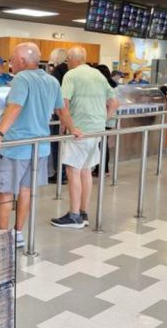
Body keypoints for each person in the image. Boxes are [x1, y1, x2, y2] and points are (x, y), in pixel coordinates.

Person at [0, 42, 81, 248]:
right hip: (40, 147)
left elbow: (15, 106)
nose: (10, 63)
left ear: (22, 60)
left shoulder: (21, 78)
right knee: (25, 190)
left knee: (5, 192)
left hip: (16, 146)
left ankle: (2, 237)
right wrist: (73, 129)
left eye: (12, 59)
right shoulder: (51, 81)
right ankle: (18, 233)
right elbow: (62, 111)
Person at [50, 47, 117, 229]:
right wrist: (103, 120)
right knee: (86, 171)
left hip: (78, 131)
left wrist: (70, 127)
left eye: (67, 60)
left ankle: (73, 216)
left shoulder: (71, 76)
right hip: (96, 132)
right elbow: (114, 102)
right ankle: (83, 212)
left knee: (73, 172)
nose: (67, 63)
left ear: (71, 59)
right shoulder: (98, 75)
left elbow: (63, 105)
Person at [93, 64, 118, 177]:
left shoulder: (105, 86)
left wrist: (104, 119)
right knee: (103, 144)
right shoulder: (111, 85)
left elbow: (111, 103)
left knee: (101, 144)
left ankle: (102, 169)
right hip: (108, 118)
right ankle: (102, 168)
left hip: (105, 119)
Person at [48, 48, 69, 184]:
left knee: (57, 143)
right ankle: (65, 172)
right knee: (66, 144)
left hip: (60, 113)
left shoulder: (56, 72)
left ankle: (59, 174)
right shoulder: (71, 71)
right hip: (71, 114)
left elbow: (54, 94)